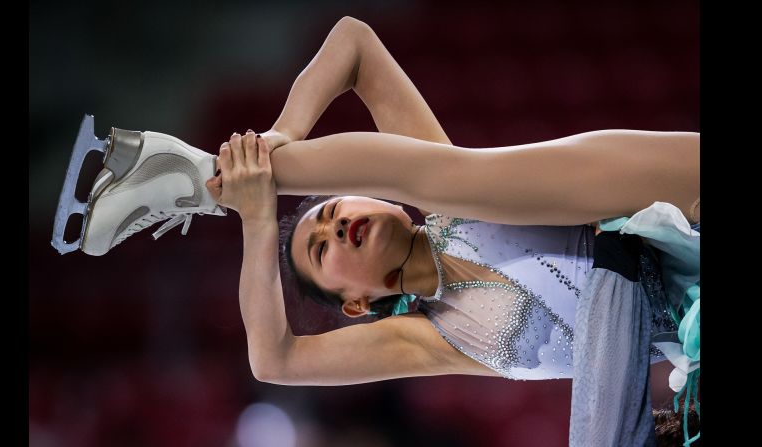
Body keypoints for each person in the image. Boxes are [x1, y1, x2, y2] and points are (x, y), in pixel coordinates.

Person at [68, 16, 700, 446]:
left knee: (450, 182)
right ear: (357, 303)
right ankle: (197, 177)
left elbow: (354, 43)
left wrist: (282, 135)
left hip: (659, 202)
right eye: (322, 245)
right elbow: (274, 359)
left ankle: (195, 175)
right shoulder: (430, 341)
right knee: (447, 181)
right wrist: (258, 218)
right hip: (687, 303)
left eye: (335, 209)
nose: (340, 222)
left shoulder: (445, 198)